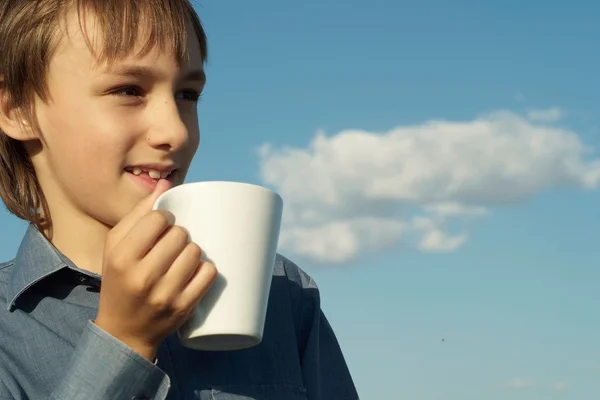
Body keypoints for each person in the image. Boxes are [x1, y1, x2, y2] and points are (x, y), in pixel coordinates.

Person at [0, 1, 358, 399]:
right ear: (18, 109)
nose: (176, 130)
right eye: (128, 90)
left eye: (187, 94)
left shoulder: (282, 294)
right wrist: (124, 340)